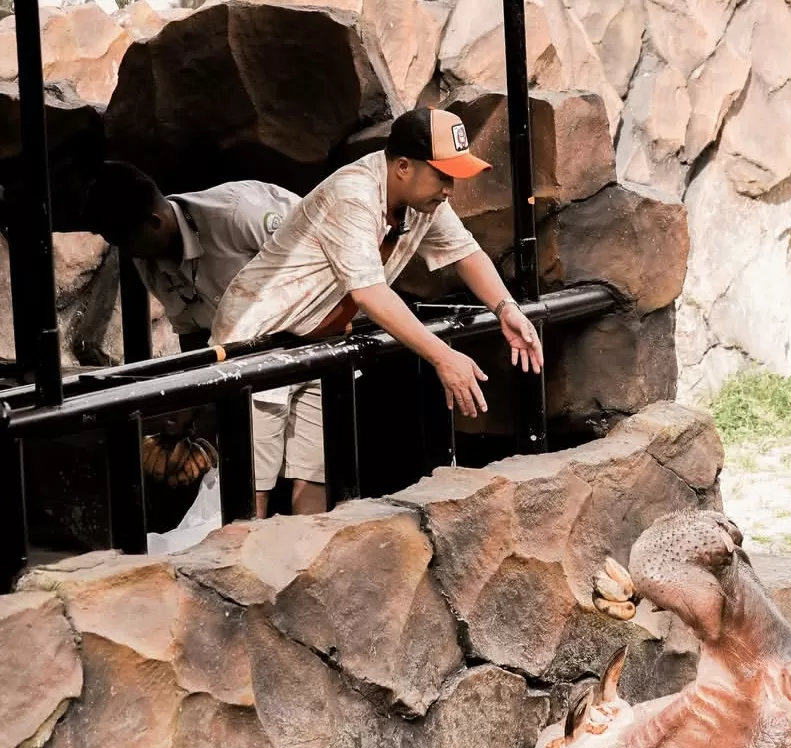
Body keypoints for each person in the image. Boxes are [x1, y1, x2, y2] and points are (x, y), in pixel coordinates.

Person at [210, 106, 544, 518]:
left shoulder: (425, 204)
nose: (450, 189)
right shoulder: (355, 195)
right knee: (252, 495)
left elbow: (466, 252)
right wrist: (442, 356)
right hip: (259, 343)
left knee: (314, 483)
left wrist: (505, 308)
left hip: (318, 344)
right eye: (442, 176)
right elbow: (370, 293)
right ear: (404, 166)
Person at [83, 161, 301, 352]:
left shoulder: (237, 214)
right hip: (251, 363)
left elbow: (316, 265)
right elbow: (191, 333)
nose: (129, 253)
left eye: (128, 243)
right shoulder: (149, 262)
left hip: (308, 342)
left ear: (155, 222)